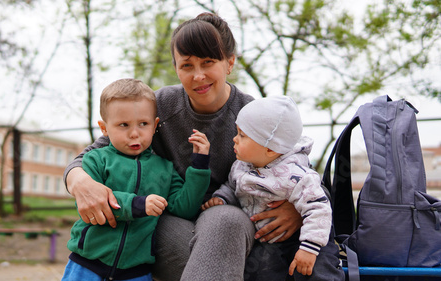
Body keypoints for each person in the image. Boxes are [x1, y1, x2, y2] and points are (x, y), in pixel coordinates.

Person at [64, 12, 332, 281]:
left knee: (224, 220)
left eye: (208, 62)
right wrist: (79, 181)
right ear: (176, 67)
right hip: (169, 221)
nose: (198, 75)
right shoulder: (158, 107)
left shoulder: (254, 115)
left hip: (236, 226)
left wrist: (297, 210)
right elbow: (96, 151)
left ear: (229, 63)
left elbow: (302, 171)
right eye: (187, 66)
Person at [61, 78, 212, 281]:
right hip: (87, 263)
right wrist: (139, 204)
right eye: (123, 125)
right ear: (104, 128)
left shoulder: (165, 169)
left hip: (136, 271)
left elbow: (183, 207)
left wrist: (199, 166)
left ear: (155, 125)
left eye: (143, 124)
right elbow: (101, 201)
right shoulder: (95, 160)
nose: (134, 133)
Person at [201, 96, 342, 280]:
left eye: (242, 135)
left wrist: (309, 248)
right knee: (260, 271)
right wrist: (222, 198)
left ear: (270, 149)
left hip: (309, 236)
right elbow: (232, 186)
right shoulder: (241, 166)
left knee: (317, 272)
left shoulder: (297, 174)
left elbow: (319, 209)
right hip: (268, 240)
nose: (234, 139)